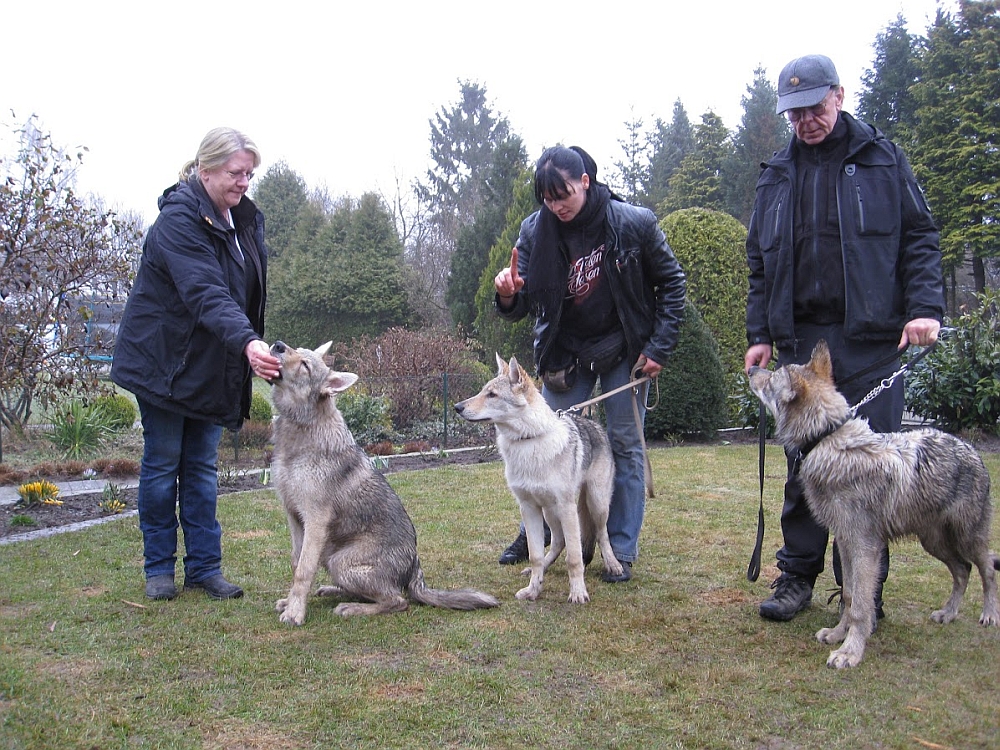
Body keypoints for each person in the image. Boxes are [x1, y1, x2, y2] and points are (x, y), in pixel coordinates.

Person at [744, 55, 945, 622]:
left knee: (869, 468)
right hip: (801, 339)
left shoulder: (882, 159)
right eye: (793, 112)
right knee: (802, 467)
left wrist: (925, 308)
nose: (804, 120)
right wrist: (760, 334)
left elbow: (921, 238)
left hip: (872, 336)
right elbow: (759, 264)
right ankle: (796, 576)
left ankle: (863, 591)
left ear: (838, 94)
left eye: (813, 107)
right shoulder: (776, 173)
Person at [493, 145, 686, 582]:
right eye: (547, 198)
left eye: (563, 195)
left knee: (624, 445)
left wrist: (658, 347)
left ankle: (619, 548)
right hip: (565, 352)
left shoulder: (632, 222)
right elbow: (522, 302)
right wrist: (507, 294)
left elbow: (672, 284)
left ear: (586, 181)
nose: (556, 206)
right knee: (542, 439)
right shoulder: (534, 231)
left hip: (624, 347)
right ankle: (533, 537)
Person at [111, 127, 281, 601]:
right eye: (234, 172)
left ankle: (206, 567)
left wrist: (246, 343)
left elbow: (246, 293)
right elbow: (205, 291)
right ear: (204, 170)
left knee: (202, 470)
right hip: (162, 364)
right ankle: (158, 569)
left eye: (249, 172)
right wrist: (248, 343)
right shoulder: (178, 222)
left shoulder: (243, 221)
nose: (244, 181)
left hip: (211, 364)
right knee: (163, 466)